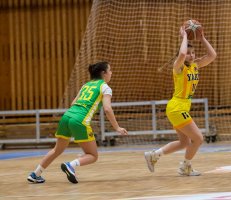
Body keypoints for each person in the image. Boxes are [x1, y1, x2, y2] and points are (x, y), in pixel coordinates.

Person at [27, 61, 128, 184]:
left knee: (57, 150)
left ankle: (35, 174)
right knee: (92, 155)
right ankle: (71, 165)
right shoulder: (105, 87)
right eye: (110, 70)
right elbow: (107, 109)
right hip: (80, 120)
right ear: (103, 73)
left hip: (67, 117)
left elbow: (73, 103)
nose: (111, 73)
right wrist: (117, 127)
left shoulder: (86, 85)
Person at [144, 25, 216, 176]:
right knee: (198, 138)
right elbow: (182, 53)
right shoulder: (178, 67)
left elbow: (212, 55)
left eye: (193, 53)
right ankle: (185, 167)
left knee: (184, 143)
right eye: (188, 53)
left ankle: (154, 155)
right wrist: (184, 36)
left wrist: (201, 38)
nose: (191, 55)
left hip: (180, 108)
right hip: (177, 107)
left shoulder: (195, 66)